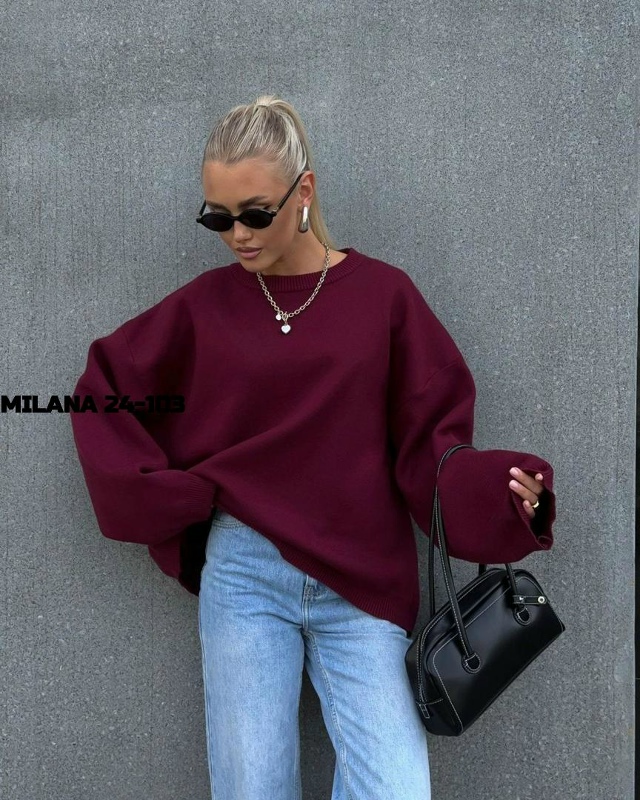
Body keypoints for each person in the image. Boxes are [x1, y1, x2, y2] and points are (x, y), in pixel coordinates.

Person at [70, 93, 556, 800]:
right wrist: (175, 494)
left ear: (304, 192)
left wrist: (503, 493)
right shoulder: (206, 306)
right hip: (245, 576)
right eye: (217, 217)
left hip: (362, 578)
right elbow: (104, 388)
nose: (237, 235)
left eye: (254, 213)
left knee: (395, 789)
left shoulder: (384, 297)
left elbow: (432, 444)